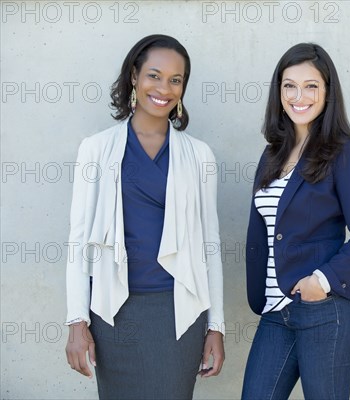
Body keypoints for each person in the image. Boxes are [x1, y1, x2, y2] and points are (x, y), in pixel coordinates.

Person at [64, 34, 224, 399]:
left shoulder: (199, 156)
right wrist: (77, 320)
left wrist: (216, 327)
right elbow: (78, 241)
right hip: (112, 312)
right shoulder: (96, 149)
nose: (164, 88)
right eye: (154, 75)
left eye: (176, 80)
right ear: (134, 76)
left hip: (178, 315)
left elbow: (209, 245)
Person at [242, 43, 350, 399]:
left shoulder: (344, 151)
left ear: (328, 92)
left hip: (326, 306)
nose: (298, 95)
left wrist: (320, 282)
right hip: (276, 309)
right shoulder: (272, 153)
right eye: (289, 85)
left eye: (311, 86)